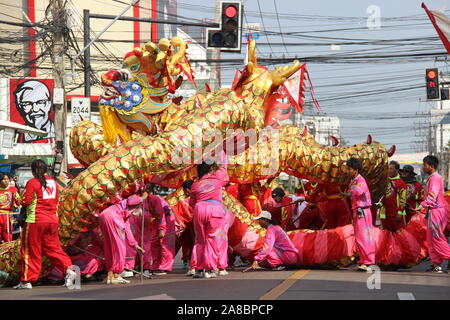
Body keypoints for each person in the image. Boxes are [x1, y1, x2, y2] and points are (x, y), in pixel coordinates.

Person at [14, 159, 77, 289]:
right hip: (52, 220)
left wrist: (18, 198)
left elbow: (26, 201)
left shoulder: (32, 182)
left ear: (33, 170)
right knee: (53, 248)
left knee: (30, 250)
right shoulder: (53, 182)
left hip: (35, 220)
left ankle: (27, 280)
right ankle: (69, 271)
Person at [189, 151, 229, 279]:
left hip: (199, 208)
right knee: (212, 239)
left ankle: (198, 269)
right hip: (215, 209)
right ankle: (210, 268)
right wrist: (221, 150)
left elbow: (191, 203)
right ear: (212, 168)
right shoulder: (217, 179)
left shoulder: (195, 184)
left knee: (199, 240)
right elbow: (224, 167)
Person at [98, 194, 145, 284]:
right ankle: (116, 273)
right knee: (119, 247)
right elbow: (132, 200)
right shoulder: (127, 205)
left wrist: (135, 245)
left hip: (104, 216)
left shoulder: (123, 212)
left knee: (110, 247)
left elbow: (128, 230)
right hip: (113, 217)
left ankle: (111, 275)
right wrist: (142, 199)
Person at [414, 155, 450, 273]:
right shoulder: (431, 177)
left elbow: (432, 196)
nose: (423, 167)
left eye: (425, 165)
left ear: (432, 166)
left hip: (437, 211)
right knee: (431, 238)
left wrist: (421, 205)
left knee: (437, 237)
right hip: (432, 211)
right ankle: (436, 265)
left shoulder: (435, 178)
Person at [341, 157, 375, 272]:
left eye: (349, 169)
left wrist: (348, 193)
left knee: (364, 237)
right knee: (359, 237)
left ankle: (369, 261)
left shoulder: (361, 181)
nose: (347, 171)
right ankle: (363, 260)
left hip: (363, 212)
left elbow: (358, 191)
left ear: (356, 170)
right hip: (357, 211)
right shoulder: (353, 180)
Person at [145, 183, 177, 275]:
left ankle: (164, 267)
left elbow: (161, 215)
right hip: (155, 222)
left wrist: (162, 230)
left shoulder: (154, 199)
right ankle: (156, 265)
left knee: (165, 244)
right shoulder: (141, 200)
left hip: (166, 220)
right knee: (154, 243)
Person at [379, 161, 407, 232]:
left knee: (399, 236)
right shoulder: (386, 181)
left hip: (396, 215)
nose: (389, 171)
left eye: (391, 169)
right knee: (387, 236)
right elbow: (384, 196)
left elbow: (403, 199)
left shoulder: (401, 183)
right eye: (388, 168)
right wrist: (379, 204)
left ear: (397, 170)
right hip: (386, 215)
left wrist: (400, 212)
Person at [0, 173, 20, 243]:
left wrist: (18, 199)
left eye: (7, 179)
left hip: (7, 215)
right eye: (4, 179)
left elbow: (19, 202)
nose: (6, 181)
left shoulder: (13, 189)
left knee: (7, 234)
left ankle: (8, 250)